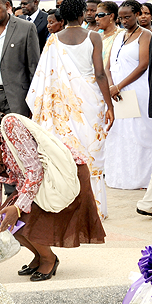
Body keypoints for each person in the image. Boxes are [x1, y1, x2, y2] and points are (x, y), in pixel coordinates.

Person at [0, 102, 105, 281]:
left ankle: (49, 259)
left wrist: (18, 207)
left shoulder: (10, 125)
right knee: (6, 221)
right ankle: (40, 256)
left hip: (63, 176)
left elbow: (35, 169)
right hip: (36, 183)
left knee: (23, 219)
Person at [26, 0, 114, 220]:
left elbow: (44, 77)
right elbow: (100, 73)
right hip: (89, 101)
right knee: (89, 152)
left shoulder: (53, 40)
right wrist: (110, 105)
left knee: (65, 153)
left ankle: (67, 207)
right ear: (83, 14)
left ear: (62, 17)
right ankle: (93, 208)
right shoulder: (93, 37)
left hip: (62, 107)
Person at [105, 0, 152, 190]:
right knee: (120, 133)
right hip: (117, 93)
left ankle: (142, 179)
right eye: (121, 17)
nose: (124, 21)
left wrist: (119, 86)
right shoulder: (118, 36)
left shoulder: (146, 35)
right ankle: (121, 178)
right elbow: (108, 66)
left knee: (138, 133)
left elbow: (143, 65)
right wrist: (111, 87)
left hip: (137, 91)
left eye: (128, 17)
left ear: (138, 14)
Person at [96, 1, 123, 68]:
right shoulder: (96, 36)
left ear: (111, 16)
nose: (96, 19)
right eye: (96, 15)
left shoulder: (121, 35)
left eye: (100, 15)